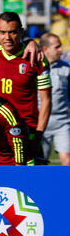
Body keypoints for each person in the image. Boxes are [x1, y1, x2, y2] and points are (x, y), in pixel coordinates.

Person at [0, 12, 52, 164]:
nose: (7, 37)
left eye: (12, 32)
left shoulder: (37, 58)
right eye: (3, 32)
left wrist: (39, 134)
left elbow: (46, 101)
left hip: (28, 131)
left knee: (27, 183)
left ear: (21, 32)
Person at [39, 33, 70, 165]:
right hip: (40, 123)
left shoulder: (66, 69)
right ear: (45, 49)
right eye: (57, 47)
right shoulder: (35, 67)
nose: (60, 50)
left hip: (62, 122)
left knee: (67, 159)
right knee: (40, 162)